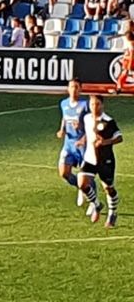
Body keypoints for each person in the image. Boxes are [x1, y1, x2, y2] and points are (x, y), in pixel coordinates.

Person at [79, 92, 121, 227]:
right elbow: (88, 133)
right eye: (92, 104)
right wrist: (82, 140)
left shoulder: (108, 121)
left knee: (108, 189)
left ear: (102, 105)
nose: (94, 107)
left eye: (97, 104)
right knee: (82, 184)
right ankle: (97, 204)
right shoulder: (86, 118)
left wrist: (105, 142)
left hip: (105, 160)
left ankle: (112, 212)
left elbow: (119, 137)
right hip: (90, 158)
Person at [56, 78, 90, 207]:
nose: (74, 90)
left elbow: (91, 124)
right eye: (71, 87)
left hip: (82, 145)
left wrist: (82, 132)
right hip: (68, 144)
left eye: (76, 87)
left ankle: (94, 202)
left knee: (85, 174)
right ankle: (81, 188)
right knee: (64, 173)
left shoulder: (85, 105)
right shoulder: (64, 103)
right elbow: (65, 117)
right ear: (68, 89)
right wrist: (62, 130)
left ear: (80, 89)